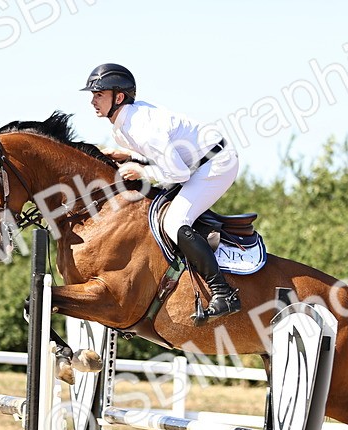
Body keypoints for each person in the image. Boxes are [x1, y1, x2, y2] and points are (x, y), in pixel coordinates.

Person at [80, 63, 241, 323]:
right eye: (93, 95)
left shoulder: (140, 126)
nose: (92, 101)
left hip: (216, 164)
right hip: (194, 162)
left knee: (175, 220)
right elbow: (158, 154)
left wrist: (141, 172)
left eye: (99, 94)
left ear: (118, 97)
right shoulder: (123, 125)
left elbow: (178, 175)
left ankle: (223, 293)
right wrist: (131, 156)